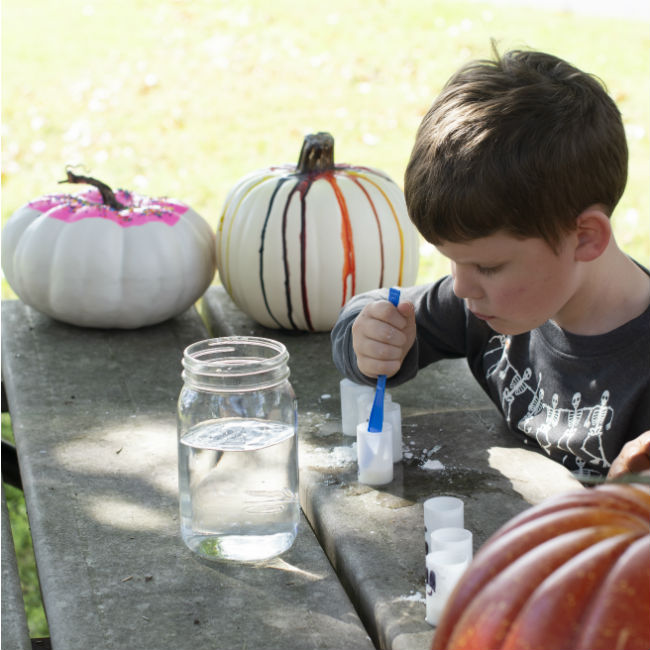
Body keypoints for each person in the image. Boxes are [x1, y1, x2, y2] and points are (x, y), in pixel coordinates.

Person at [331, 46, 650, 479]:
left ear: (585, 237)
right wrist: (370, 341)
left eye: (488, 267)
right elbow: (364, 312)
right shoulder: (486, 305)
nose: (461, 288)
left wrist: (626, 505)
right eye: (451, 261)